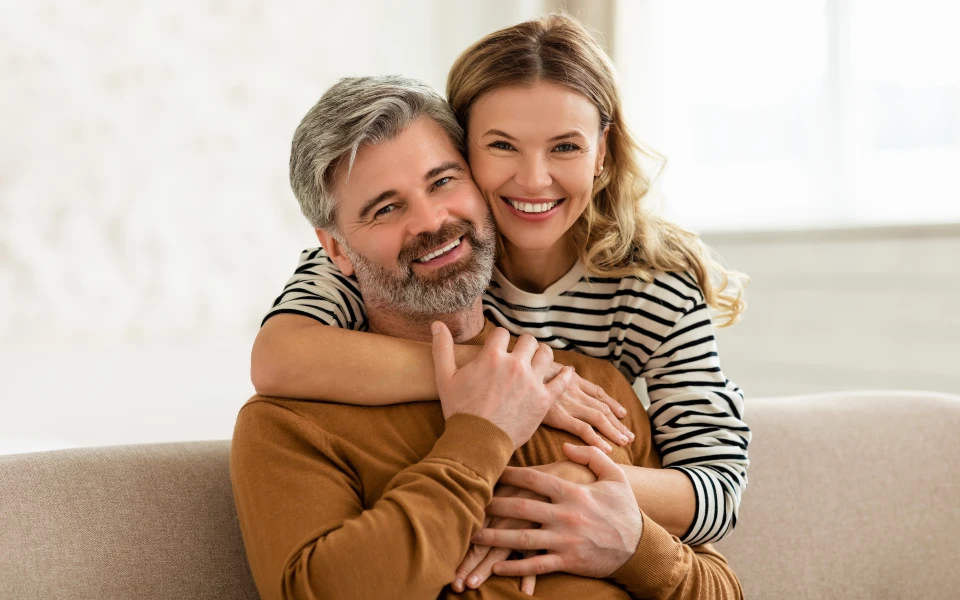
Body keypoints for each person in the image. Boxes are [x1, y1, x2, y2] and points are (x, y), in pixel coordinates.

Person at [252, 12, 750, 571]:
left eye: (565, 147)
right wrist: (510, 375)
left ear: (602, 152)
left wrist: (571, 485)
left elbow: (719, 489)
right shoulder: (439, 255)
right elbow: (277, 359)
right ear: (467, 150)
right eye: (503, 146)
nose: (535, 180)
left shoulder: (648, 288)